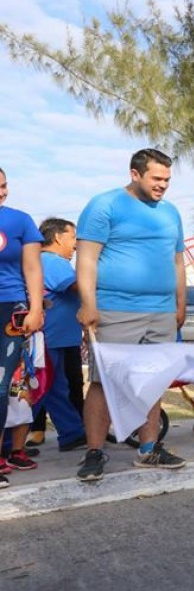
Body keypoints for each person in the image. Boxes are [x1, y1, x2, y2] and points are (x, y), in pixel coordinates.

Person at [74, 149, 187, 482]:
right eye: (156, 178)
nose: (163, 186)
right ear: (135, 174)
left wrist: (181, 303)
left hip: (162, 311)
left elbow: (177, 261)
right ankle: (95, 451)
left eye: (167, 180)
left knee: (152, 381)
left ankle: (148, 448)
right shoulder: (104, 205)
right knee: (104, 382)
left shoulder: (171, 212)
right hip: (115, 308)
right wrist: (89, 303)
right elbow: (87, 259)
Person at [0, 168, 45, 485]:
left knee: (2, 385)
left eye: (3, 186)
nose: (1, 192)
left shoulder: (20, 220)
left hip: (10, 308)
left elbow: (32, 267)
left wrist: (36, 308)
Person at [32, 218, 85, 453]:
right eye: (73, 237)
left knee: (54, 388)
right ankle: (9, 443)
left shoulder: (43, 260)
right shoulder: (53, 261)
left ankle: (72, 433)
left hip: (54, 339)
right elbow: (79, 287)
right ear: (57, 238)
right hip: (49, 339)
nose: (75, 244)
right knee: (39, 389)